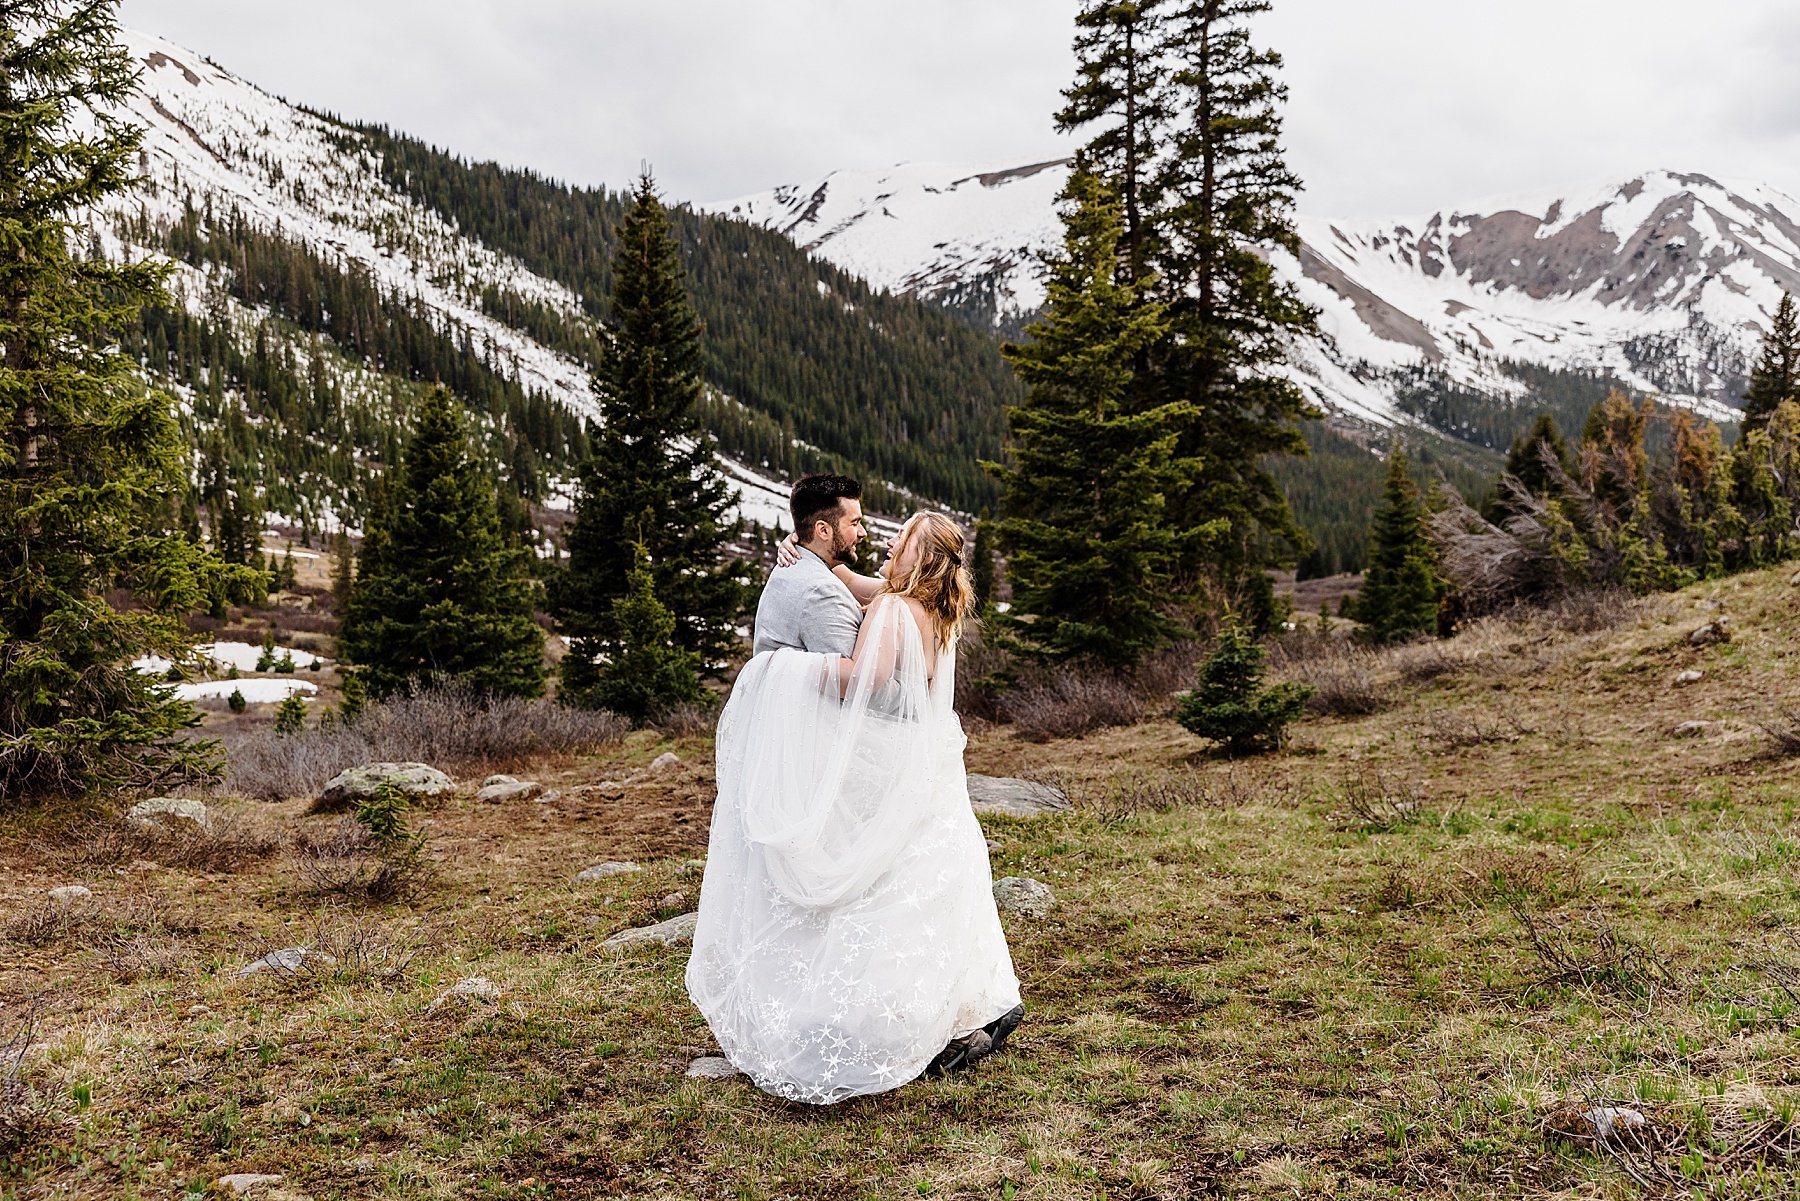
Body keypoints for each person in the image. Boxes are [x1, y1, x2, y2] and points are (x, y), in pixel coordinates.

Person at [687, 495, 1024, 1104]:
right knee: (928, 879)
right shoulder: (935, 610)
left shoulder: (895, 609)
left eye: (901, 544)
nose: (887, 546)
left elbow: (864, 679)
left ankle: (893, 1022)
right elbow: (866, 585)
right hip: (928, 762)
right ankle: (972, 1002)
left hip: (889, 758)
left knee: (876, 882)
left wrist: (783, 668)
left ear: (918, 560)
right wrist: (818, 559)